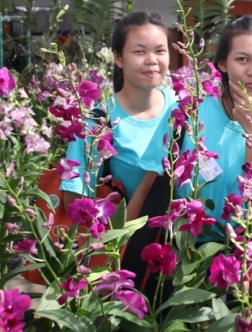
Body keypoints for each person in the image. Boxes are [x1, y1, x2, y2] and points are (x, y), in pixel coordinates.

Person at [178, 16, 252, 234]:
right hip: (187, 247)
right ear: (223, 63)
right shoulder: (192, 114)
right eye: (242, 59)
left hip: (245, 247)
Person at [61, 11, 177, 207]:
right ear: (118, 57)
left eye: (160, 51)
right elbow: (74, 201)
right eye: (139, 52)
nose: (152, 60)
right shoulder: (96, 123)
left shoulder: (183, 108)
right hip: (125, 227)